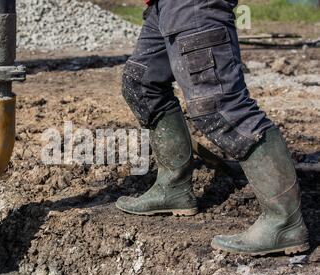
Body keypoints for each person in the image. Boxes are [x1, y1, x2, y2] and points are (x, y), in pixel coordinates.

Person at [115, 0, 310, 256]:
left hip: (192, 5)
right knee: (141, 86)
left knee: (221, 106)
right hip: (163, 6)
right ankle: (172, 188)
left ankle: (284, 224)